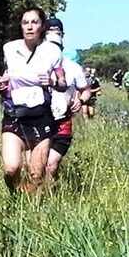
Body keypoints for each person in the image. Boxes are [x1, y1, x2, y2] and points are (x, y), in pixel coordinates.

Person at [0, 7, 63, 194]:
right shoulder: (9, 48)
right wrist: (2, 85)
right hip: (14, 115)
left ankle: (25, 206)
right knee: (11, 168)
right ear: (20, 26)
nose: (30, 27)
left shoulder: (52, 51)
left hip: (41, 117)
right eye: (25, 22)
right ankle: (15, 194)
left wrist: (53, 81)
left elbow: (62, 83)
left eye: (34, 22)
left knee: (36, 174)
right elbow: (9, 78)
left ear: (42, 26)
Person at [45, 51, 90, 186]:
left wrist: (80, 101)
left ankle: (50, 195)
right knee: (39, 164)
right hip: (40, 119)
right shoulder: (38, 62)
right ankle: (45, 193)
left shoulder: (73, 67)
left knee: (51, 164)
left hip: (62, 120)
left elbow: (85, 90)